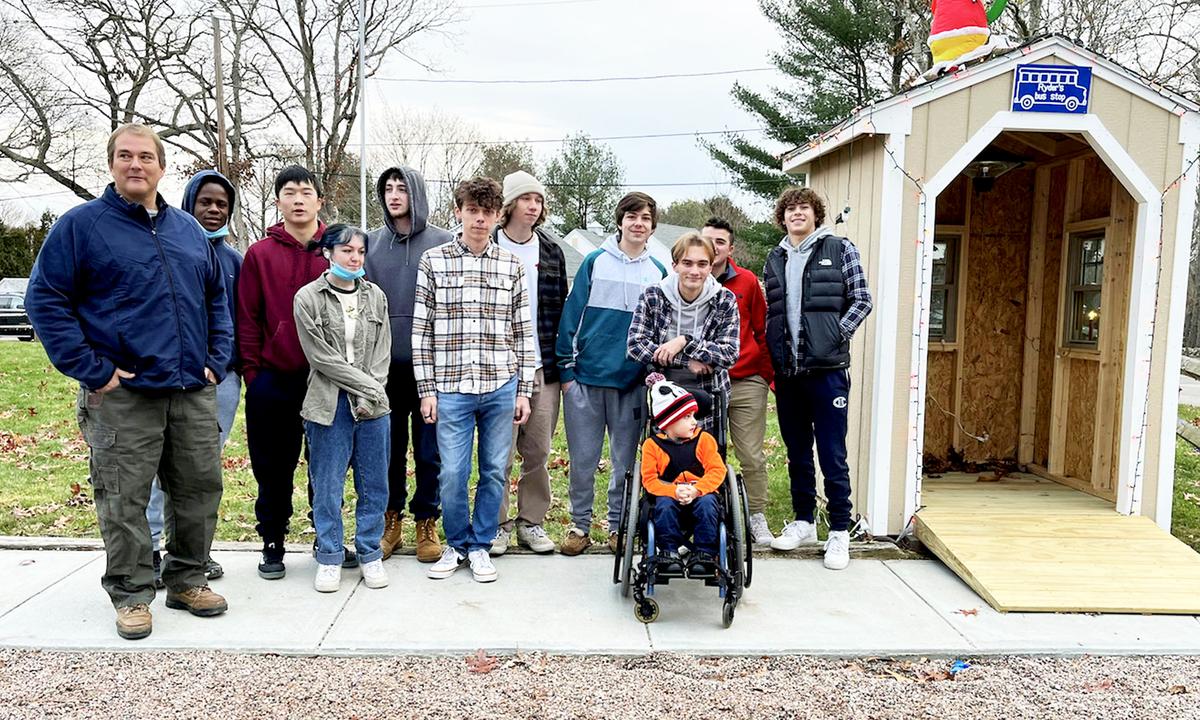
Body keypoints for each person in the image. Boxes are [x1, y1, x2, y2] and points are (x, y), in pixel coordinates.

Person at [26, 124, 232, 640]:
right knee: (123, 497)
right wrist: (93, 369)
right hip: (125, 395)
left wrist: (217, 359)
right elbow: (45, 300)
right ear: (112, 164)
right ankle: (132, 591)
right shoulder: (81, 227)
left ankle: (187, 578)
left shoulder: (188, 230)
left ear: (162, 167)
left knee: (198, 490)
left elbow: (215, 300)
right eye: (125, 156)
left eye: (145, 156)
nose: (135, 165)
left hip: (190, 389)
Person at [412, 177, 535, 583]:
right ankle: (456, 543)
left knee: (495, 470)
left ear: (498, 215)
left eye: (487, 212)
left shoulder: (511, 265)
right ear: (459, 212)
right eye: (472, 211)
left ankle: (481, 545)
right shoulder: (434, 261)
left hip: (500, 383)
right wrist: (426, 391)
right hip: (450, 387)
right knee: (451, 472)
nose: (480, 219)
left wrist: (524, 390)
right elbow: (421, 331)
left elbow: (523, 330)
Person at [763, 187, 873, 570]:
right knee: (797, 452)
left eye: (803, 208)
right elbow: (771, 311)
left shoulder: (840, 249)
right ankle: (804, 521)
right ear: (783, 216)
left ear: (816, 214)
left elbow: (862, 300)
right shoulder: (775, 257)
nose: (796, 214)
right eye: (790, 209)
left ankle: (839, 531)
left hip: (827, 373)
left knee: (831, 452)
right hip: (788, 373)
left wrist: (834, 337)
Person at [239, 165, 337, 580]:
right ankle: (273, 539)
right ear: (278, 201)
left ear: (319, 201)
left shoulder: (336, 251)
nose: (299, 199)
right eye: (290, 192)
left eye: (306, 192)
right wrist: (253, 374)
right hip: (273, 380)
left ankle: (326, 537)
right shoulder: (259, 254)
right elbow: (246, 317)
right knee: (273, 466)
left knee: (326, 465)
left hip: (325, 381)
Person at [556, 192, 667, 556]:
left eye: (646, 219)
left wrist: (650, 375)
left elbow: (661, 329)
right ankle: (579, 525)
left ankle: (620, 525)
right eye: (632, 216)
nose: (638, 224)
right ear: (620, 221)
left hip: (631, 384)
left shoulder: (658, 272)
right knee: (583, 461)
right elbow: (571, 318)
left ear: (652, 227)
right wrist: (567, 373)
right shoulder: (594, 262)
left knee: (624, 462)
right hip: (586, 382)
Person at [146, 170, 241, 586]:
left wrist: (221, 365)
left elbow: (236, 320)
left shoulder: (236, 260)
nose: (214, 209)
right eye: (206, 201)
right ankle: (148, 548)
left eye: (222, 203)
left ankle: (188, 555)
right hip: (161, 380)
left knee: (199, 473)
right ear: (189, 202)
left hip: (217, 382)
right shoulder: (164, 246)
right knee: (154, 468)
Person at [294, 225, 392, 593]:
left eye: (360, 252)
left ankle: (370, 553)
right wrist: (366, 385)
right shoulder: (308, 298)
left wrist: (374, 390)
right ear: (327, 252)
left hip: (374, 407)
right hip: (327, 403)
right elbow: (321, 357)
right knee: (328, 485)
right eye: (347, 250)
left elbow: (383, 350)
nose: (354, 258)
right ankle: (330, 556)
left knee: (374, 484)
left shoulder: (376, 297)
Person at [365, 166, 452, 563]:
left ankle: (426, 520)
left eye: (402, 188)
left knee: (429, 450)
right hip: (384, 370)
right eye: (387, 188)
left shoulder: (442, 242)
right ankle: (391, 519)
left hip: (431, 369)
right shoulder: (370, 244)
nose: (394, 195)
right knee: (389, 449)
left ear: (416, 192)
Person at [489, 171, 567, 556]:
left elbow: (562, 312)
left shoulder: (551, 251)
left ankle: (530, 522)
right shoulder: (488, 244)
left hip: (543, 366)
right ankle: (498, 524)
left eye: (538, 200)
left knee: (537, 450)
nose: (533, 206)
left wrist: (562, 365)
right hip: (498, 367)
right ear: (510, 205)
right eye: (526, 199)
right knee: (499, 451)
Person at [702, 217, 776, 546]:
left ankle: (755, 514)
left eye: (720, 241)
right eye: (708, 240)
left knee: (751, 454)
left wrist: (765, 375)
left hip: (746, 380)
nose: (713, 246)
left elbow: (762, 331)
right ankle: (709, 510)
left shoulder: (746, 282)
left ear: (730, 248)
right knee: (703, 450)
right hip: (704, 382)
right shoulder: (689, 278)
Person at [626, 231, 740, 432]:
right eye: (687, 263)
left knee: (705, 456)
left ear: (711, 267)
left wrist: (685, 341)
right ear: (675, 265)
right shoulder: (653, 296)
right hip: (663, 392)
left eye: (702, 264)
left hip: (708, 392)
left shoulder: (724, 300)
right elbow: (635, 346)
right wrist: (687, 361)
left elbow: (730, 353)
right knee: (663, 457)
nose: (694, 271)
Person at [639, 375, 726, 576]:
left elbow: (717, 470)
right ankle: (669, 552)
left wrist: (696, 490)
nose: (694, 422)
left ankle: (704, 554)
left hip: (701, 492)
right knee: (664, 505)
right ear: (669, 422)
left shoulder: (705, 440)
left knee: (707, 504)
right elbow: (649, 480)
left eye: (694, 416)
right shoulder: (652, 446)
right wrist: (674, 491)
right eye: (687, 417)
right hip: (669, 495)